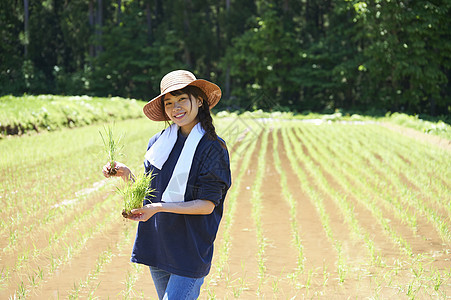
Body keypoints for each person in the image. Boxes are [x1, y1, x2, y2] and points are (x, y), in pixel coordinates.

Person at [102, 70, 231, 299]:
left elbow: (207, 205)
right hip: (159, 242)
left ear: (199, 101)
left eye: (182, 99)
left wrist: (159, 208)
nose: (176, 107)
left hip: (190, 247)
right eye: (169, 102)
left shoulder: (212, 148)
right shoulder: (159, 142)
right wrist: (126, 174)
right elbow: (149, 193)